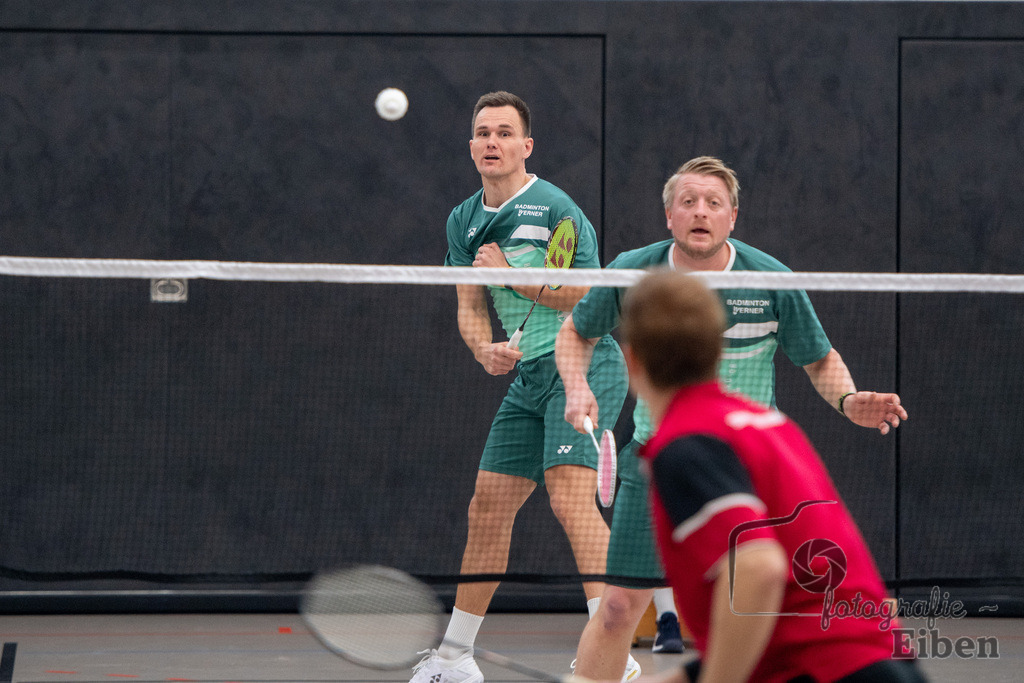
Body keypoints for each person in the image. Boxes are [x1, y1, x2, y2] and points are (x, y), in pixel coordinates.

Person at [555, 156, 908, 681]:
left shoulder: (770, 278)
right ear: (669, 215)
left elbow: (818, 358)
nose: (701, 212)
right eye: (688, 202)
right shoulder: (632, 270)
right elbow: (576, 331)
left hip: (745, 468)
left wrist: (848, 399)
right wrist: (576, 385)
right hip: (652, 463)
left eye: (713, 203)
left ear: (732, 216)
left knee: (746, 609)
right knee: (617, 608)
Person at [410, 91, 635, 683]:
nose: (493, 142)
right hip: (529, 375)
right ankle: (455, 658)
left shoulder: (556, 208)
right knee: (487, 507)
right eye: (484, 133)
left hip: (583, 363)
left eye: (505, 133)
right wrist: (483, 348)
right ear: (471, 146)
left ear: (525, 146)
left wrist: (513, 275)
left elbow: (585, 295)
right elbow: (469, 303)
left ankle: (615, 654)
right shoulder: (462, 220)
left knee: (569, 499)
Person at [613, 269, 925, 682]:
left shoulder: (687, 444)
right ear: (717, 352)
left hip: (830, 672)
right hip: (882, 663)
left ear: (631, 359)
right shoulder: (771, 426)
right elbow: (770, 629)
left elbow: (760, 569)